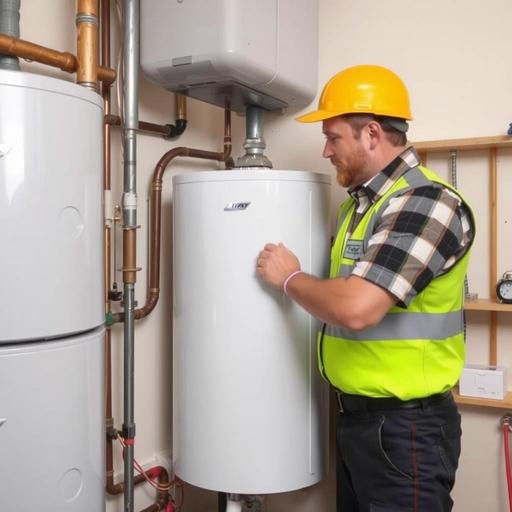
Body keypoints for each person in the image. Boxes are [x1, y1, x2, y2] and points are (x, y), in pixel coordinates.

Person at [256, 64, 475, 512]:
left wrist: (290, 278)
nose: (325, 151)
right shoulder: (360, 208)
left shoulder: (424, 201)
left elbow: (357, 307)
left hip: (405, 430)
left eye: (333, 137)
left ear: (372, 134)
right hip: (360, 422)